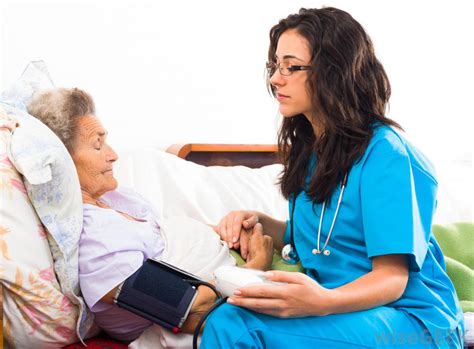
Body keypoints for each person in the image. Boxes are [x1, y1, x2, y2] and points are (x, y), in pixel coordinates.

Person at [204, 7, 464, 348]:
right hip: (346, 310)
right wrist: (262, 223)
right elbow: (327, 241)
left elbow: (392, 278)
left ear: (334, 73)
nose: (275, 79)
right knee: (229, 313)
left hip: (412, 321)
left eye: (291, 67)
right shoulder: (313, 148)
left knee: (237, 325)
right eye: (275, 65)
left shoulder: (388, 157)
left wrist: (321, 302)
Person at [27, 87, 274, 342]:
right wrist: (256, 267)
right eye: (98, 145)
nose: (113, 155)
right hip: (235, 297)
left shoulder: (115, 199)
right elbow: (196, 308)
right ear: (62, 161)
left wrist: (232, 232)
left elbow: (165, 235)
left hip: (240, 269)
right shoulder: (97, 246)